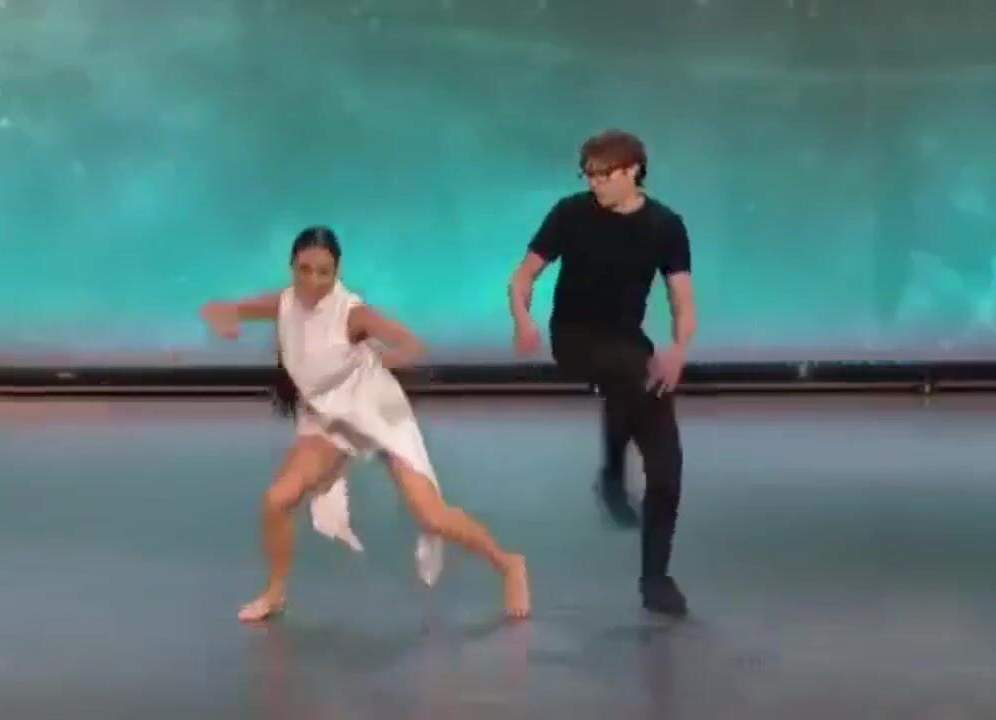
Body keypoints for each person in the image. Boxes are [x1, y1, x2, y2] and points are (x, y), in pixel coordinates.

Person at [201, 226, 530, 623]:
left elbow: (412, 346)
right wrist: (223, 318)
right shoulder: (284, 302)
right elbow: (222, 308)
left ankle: (508, 563)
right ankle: (274, 592)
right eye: (305, 269)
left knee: (431, 515)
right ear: (292, 266)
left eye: (324, 272)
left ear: (336, 272)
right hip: (329, 421)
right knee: (277, 499)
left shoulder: (352, 313)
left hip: (377, 415)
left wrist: (376, 367)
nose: (313, 281)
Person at [507, 130, 695, 617]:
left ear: (632, 171)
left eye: (603, 175)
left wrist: (677, 349)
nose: (594, 184)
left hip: (629, 344)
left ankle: (655, 578)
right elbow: (523, 276)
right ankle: (612, 472)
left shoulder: (665, 225)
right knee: (626, 372)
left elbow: (681, 299)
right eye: (587, 175)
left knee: (667, 466)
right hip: (574, 337)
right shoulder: (570, 213)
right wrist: (523, 320)